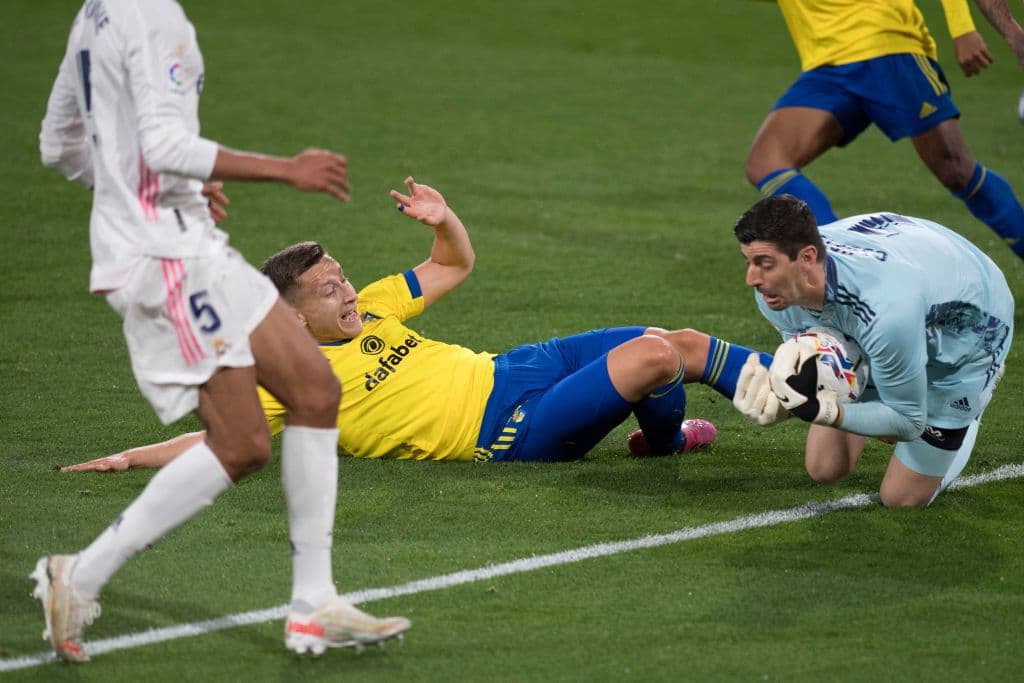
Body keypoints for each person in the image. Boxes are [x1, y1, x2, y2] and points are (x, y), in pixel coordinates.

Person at [36, 0, 408, 662]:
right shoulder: (153, 16)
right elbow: (163, 146)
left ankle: (314, 604)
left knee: (315, 391)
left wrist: (142, 191)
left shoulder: (96, 15)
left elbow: (58, 145)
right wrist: (287, 169)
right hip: (165, 261)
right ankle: (81, 575)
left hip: (187, 245)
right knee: (242, 444)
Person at [65, 178, 774, 474]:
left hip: (514, 367)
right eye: (330, 289)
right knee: (656, 357)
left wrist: (444, 220)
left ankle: (783, 391)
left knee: (675, 339)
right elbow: (215, 439)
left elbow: (452, 264)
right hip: (511, 429)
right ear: (293, 316)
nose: (349, 291)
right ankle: (678, 434)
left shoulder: (374, 305)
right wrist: (128, 458)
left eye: (343, 276)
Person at [732, 194, 1013, 507]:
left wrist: (827, 411)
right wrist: (787, 399)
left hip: (971, 329)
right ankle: (896, 373)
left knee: (901, 498)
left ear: (807, 258)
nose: (751, 279)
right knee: (824, 468)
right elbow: (809, 358)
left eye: (765, 264)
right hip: (909, 270)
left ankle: (967, 410)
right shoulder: (776, 293)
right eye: (749, 262)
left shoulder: (886, 310)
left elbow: (908, 421)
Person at [746, 0, 1024, 260]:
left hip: (887, 46)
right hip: (828, 64)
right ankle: (846, 269)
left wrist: (963, 28)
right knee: (766, 162)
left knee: (957, 170)